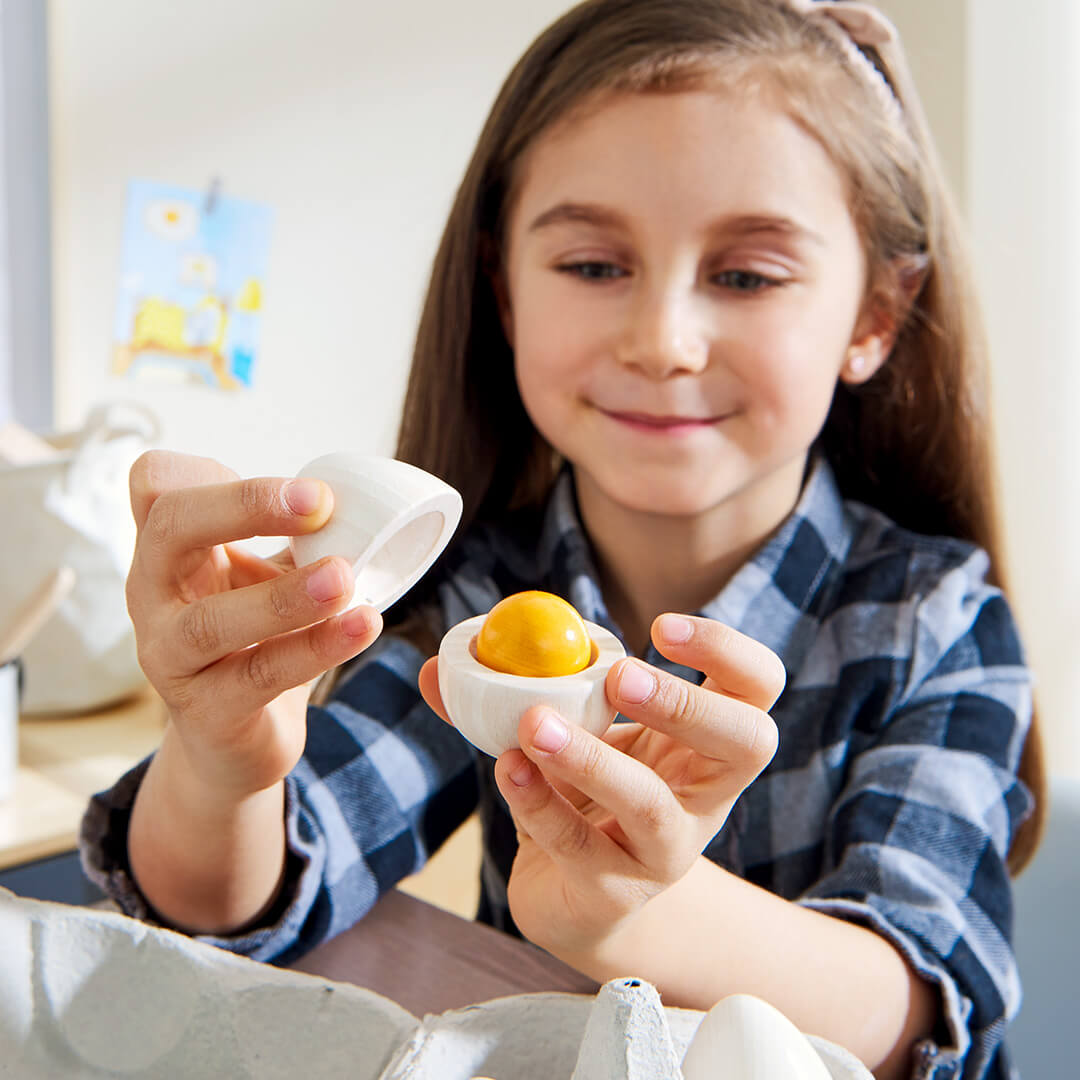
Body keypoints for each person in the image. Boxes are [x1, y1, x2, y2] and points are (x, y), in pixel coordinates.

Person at [80, 1, 1044, 1077]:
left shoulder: (935, 616)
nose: (662, 341)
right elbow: (240, 899)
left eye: (746, 275)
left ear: (875, 314)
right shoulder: (480, 596)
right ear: (502, 288)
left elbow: (919, 1006)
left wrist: (642, 909)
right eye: (593, 265)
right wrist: (225, 756)